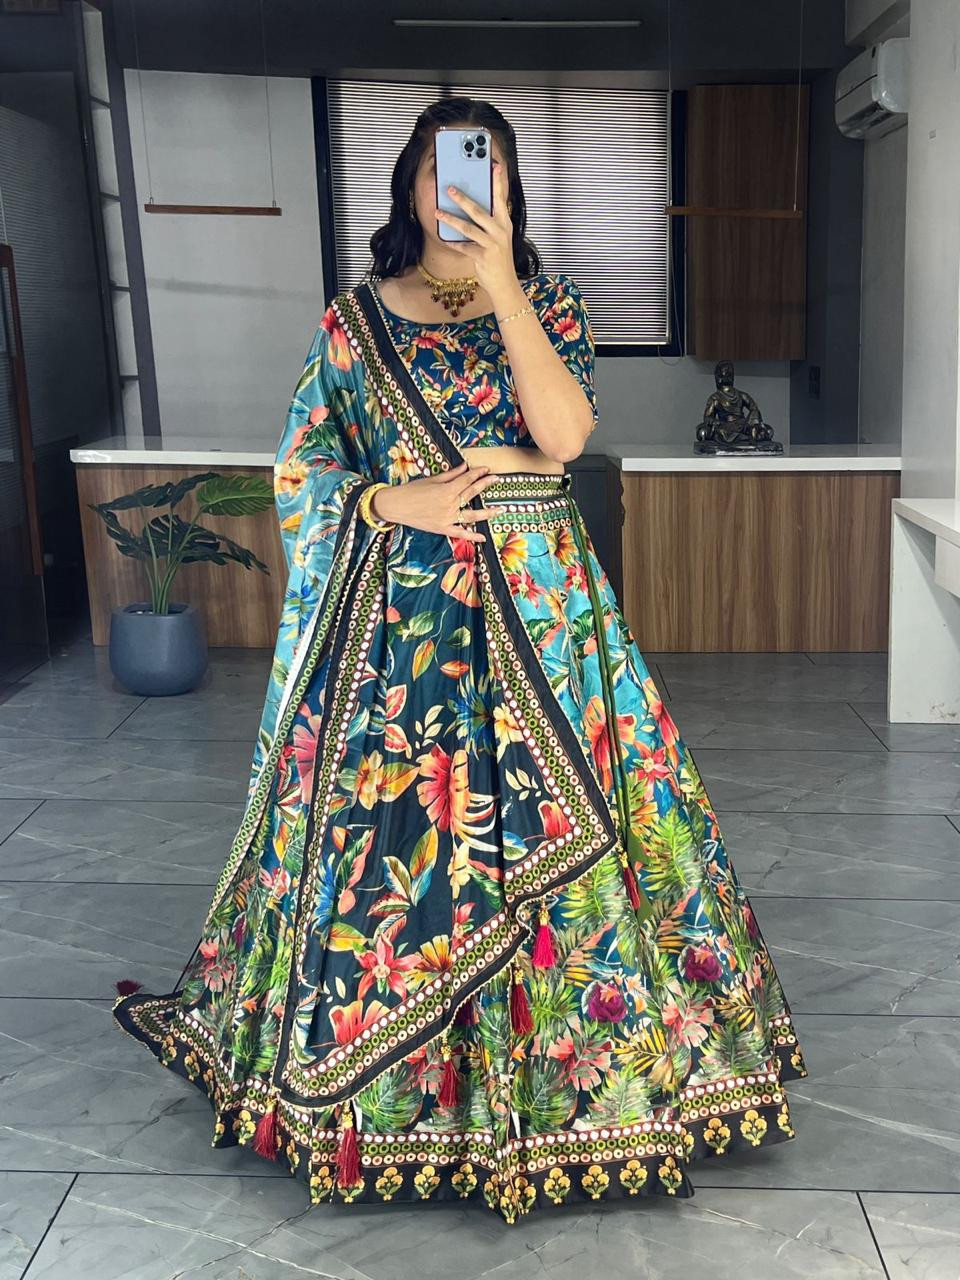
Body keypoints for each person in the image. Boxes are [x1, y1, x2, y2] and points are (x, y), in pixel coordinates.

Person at [113, 96, 808, 1224]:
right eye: (441, 172)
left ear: (511, 191)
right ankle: (394, 1096)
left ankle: (585, 1097)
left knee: (582, 834)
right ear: (408, 185)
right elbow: (300, 469)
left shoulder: (550, 303)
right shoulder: (353, 325)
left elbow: (563, 438)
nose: (461, 192)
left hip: (544, 617)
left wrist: (505, 291)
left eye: (485, 172)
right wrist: (397, 499)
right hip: (402, 620)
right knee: (398, 847)